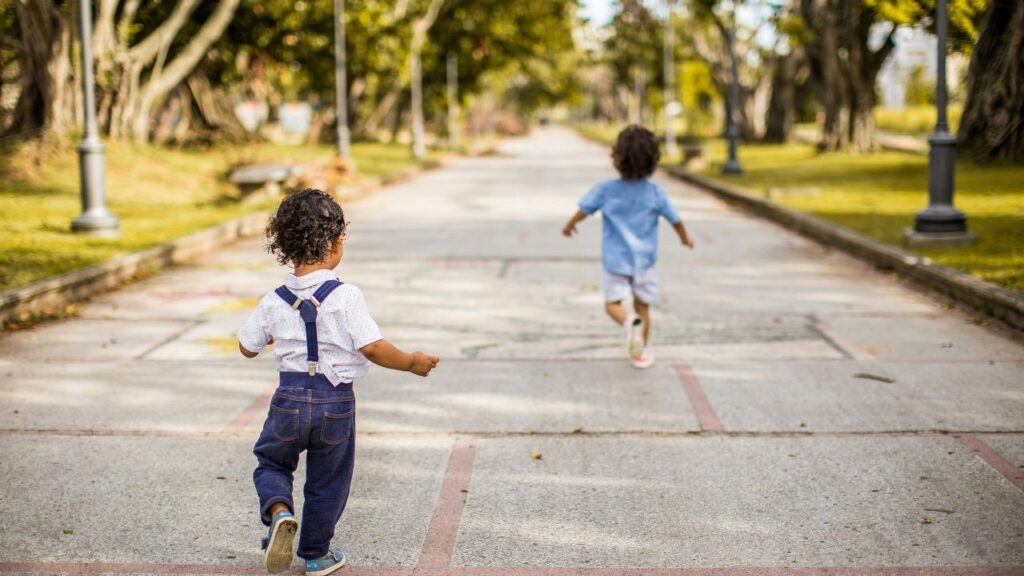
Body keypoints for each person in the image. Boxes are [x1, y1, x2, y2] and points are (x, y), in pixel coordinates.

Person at [238, 189, 439, 576]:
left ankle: (280, 511)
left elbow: (247, 347)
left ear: (282, 244)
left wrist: (269, 335)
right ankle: (315, 554)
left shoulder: (273, 300)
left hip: (288, 400)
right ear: (336, 241)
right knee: (328, 480)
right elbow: (374, 347)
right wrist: (411, 362)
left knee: (271, 462)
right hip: (335, 402)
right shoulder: (346, 296)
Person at [562, 125, 694, 368]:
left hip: (615, 262)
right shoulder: (656, 193)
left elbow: (584, 210)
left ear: (616, 157)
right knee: (643, 306)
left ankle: (626, 321)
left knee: (612, 304)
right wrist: (685, 239)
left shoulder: (605, 190)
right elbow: (676, 219)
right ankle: (641, 354)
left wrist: (569, 225)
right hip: (645, 261)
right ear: (654, 160)